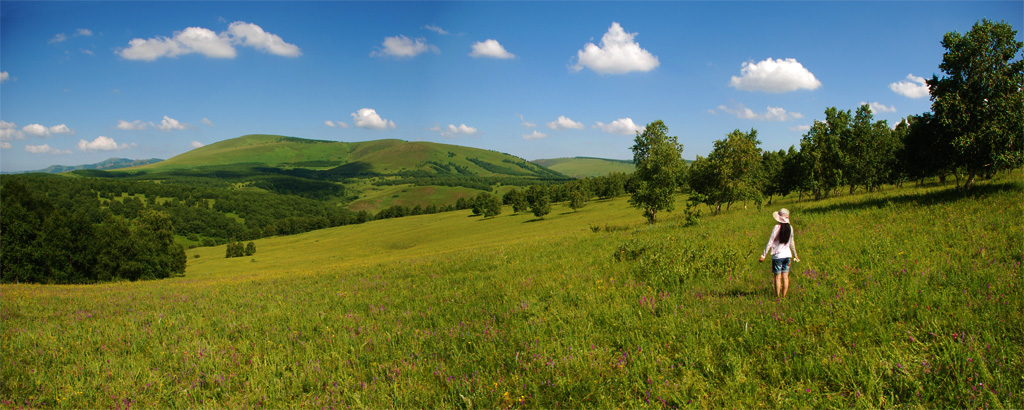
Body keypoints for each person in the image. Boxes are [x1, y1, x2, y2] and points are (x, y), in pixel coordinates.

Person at [759, 208, 800, 299]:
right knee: (785, 277)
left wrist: (763, 255)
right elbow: (792, 242)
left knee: (777, 278)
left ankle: (777, 297)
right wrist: (795, 254)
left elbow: (770, 242)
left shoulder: (777, 227)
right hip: (787, 256)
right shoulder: (790, 228)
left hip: (777, 256)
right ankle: (783, 297)